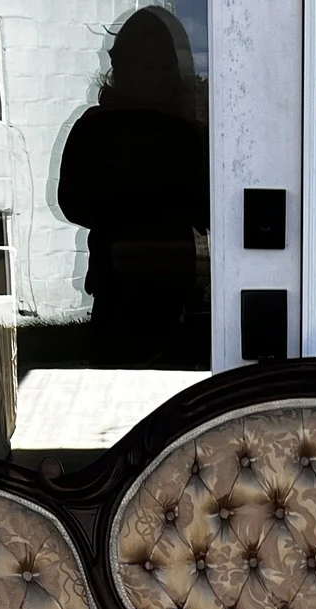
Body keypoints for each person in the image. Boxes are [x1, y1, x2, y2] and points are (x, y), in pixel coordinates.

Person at [56, 9, 212, 369]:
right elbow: (73, 201)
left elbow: (208, 210)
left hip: (170, 290)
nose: (156, 77)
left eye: (162, 67)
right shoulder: (96, 129)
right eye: (146, 65)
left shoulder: (184, 134)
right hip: (120, 286)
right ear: (120, 67)